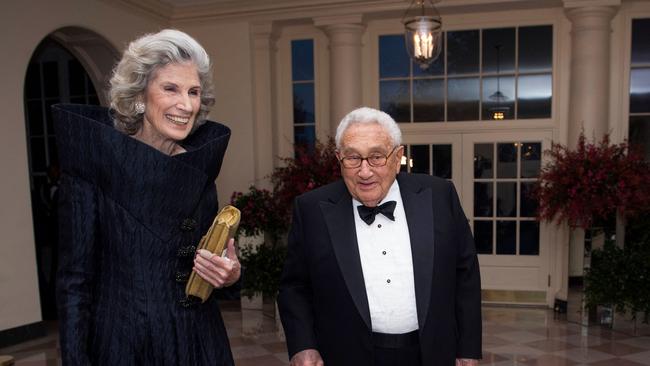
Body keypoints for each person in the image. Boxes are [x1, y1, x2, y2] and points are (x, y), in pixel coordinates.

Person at [54, 29, 240, 365]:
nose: (186, 104)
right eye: (170, 88)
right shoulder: (92, 166)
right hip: (127, 348)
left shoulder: (200, 167)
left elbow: (204, 265)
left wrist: (228, 274)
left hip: (199, 342)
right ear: (139, 95)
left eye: (194, 92)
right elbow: (74, 284)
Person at [278, 107, 482, 366]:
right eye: (353, 158)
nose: (364, 172)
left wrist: (468, 349)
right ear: (339, 158)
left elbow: (465, 274)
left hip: (431, 351)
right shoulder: (311, 209)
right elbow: (294, 287)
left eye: (376, 157)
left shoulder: (438, 195)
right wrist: (303, 345)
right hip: (345, 354)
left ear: (398, 157)